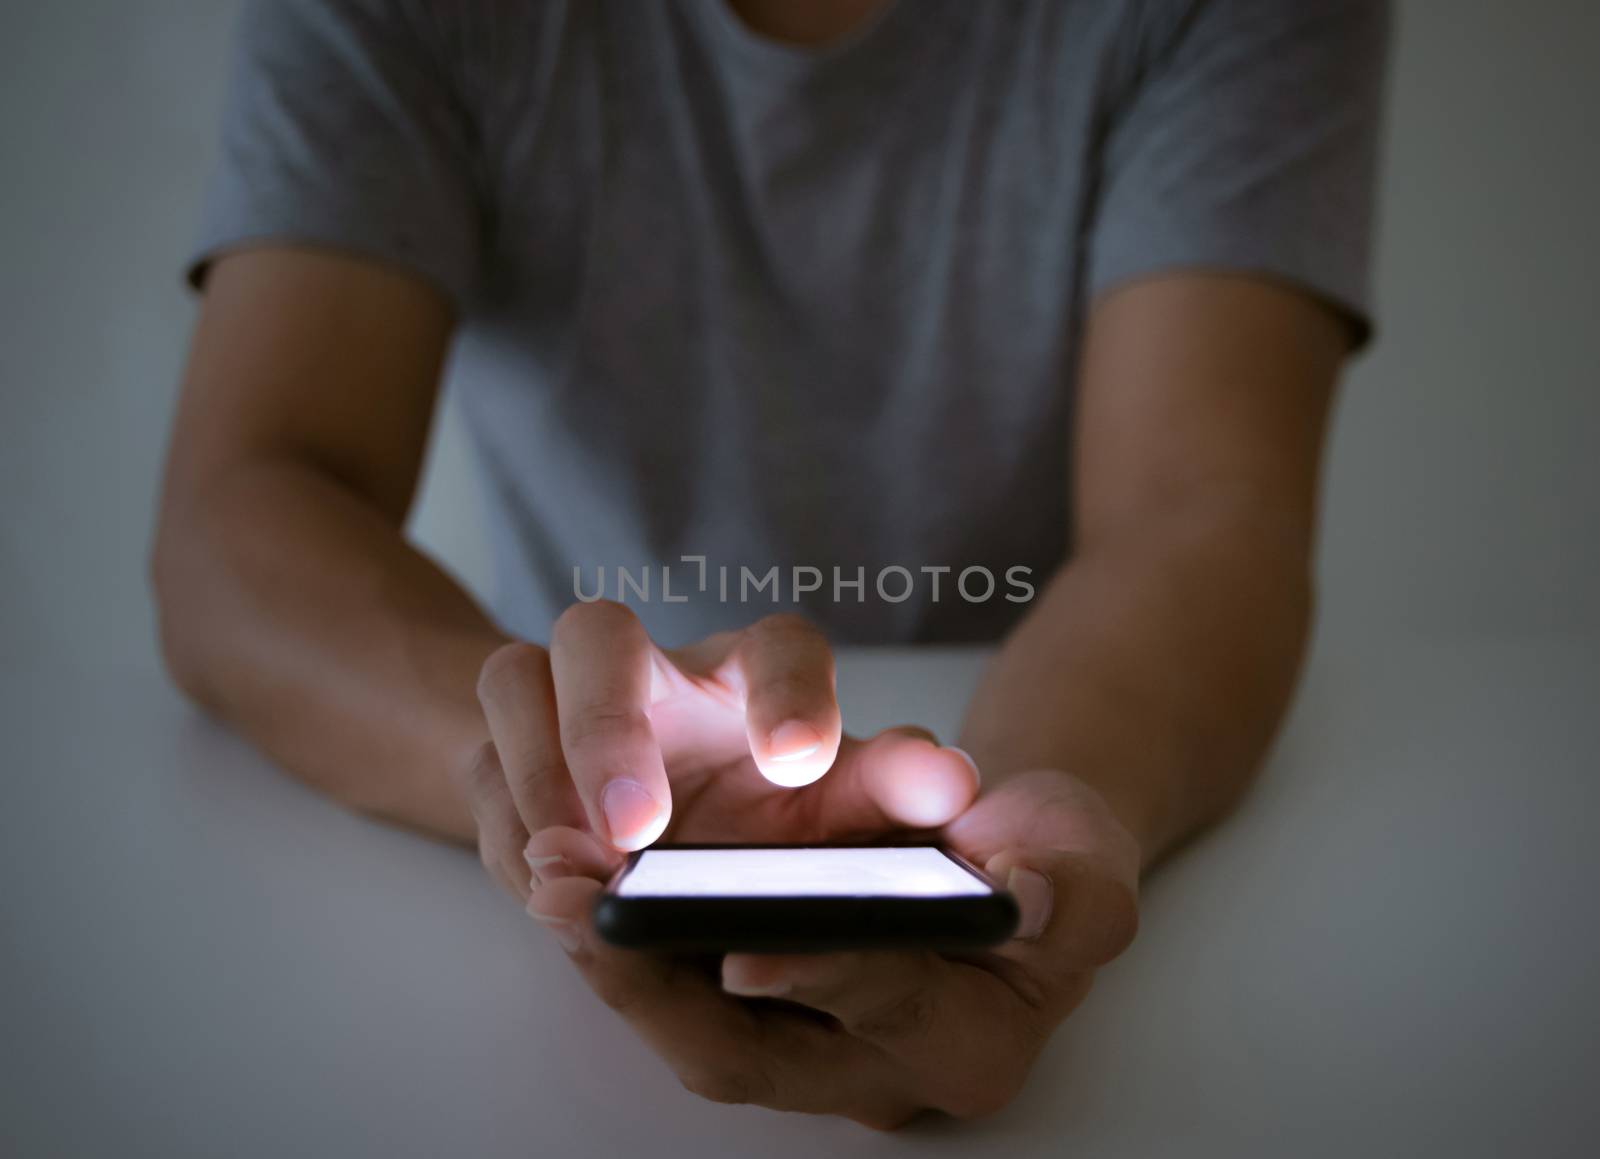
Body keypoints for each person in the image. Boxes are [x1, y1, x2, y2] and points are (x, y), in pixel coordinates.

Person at [151, 0, 1389, 1128]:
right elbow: (240, 512)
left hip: (1001, 747)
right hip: (595, 773)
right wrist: (543, 774)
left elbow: (1199, 515)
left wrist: (1027, 820)